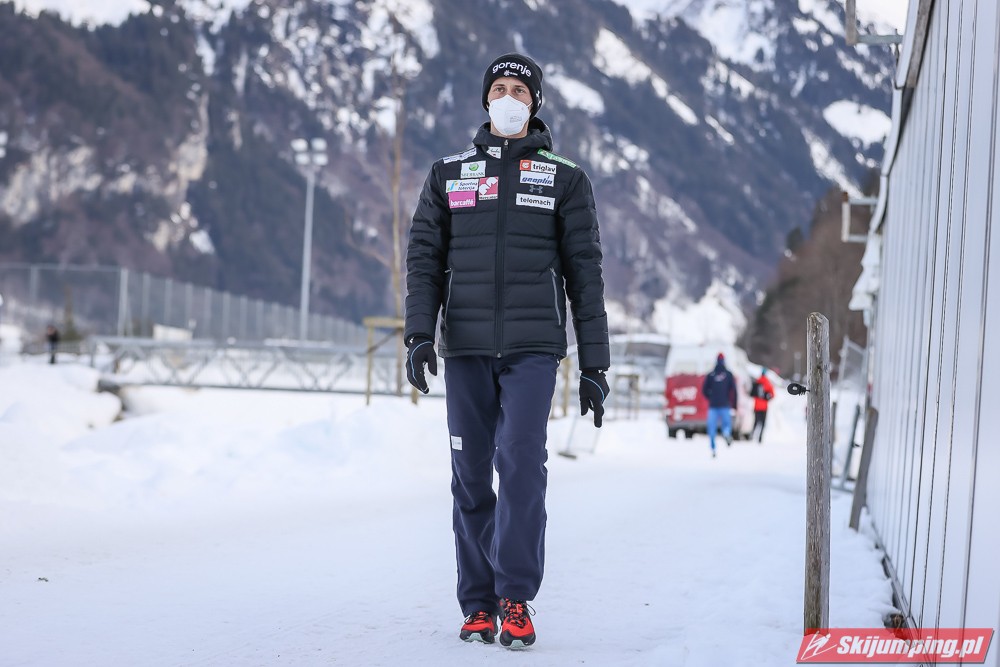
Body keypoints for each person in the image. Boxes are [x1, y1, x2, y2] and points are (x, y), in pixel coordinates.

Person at [403, 52, 610, 649]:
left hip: (533, 348)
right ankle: (477, 603)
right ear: (484, 99)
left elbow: (586, 275)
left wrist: (594, 364)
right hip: (466, 347)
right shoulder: (448, 174)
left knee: (520, 465)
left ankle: (514, 596)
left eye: (520, 89)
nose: (509, 97)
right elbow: (423, 260)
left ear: (535, 103)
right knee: (470, 473)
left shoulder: (565, 178)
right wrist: (419, 335)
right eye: (499, 87)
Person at [701, 352, 736, 457]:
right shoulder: (728, 374)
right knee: (726, 425)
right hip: (725, 404)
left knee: (712, 428)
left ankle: (713, 448)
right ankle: (726, 433)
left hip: (713, 406)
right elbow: (733, 390)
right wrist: (733, 403)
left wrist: (710, 397)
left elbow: (704, 390)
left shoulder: (711, 375)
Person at [750, 367, 775, 443]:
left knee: (756, 422)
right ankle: (760, 437)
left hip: (757, 406)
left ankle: (752, 435)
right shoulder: (767, 383)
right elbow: (773, 394)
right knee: (763, 423)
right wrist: (767, 397)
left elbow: (752, 393)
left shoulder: (757, 381)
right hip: (764, 407)